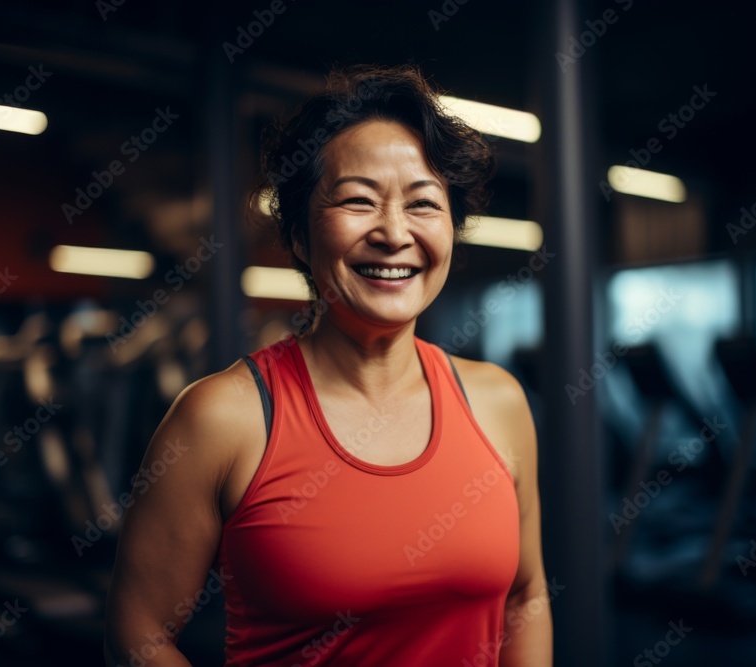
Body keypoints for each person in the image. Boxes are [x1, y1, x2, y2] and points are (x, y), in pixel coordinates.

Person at [104, 63, 553, 666]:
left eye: (423, 204)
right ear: (296, 232)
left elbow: (526, 597)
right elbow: (138, 634)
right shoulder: (222, 418)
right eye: (358, 202)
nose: (394, 233)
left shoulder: (498, 402)